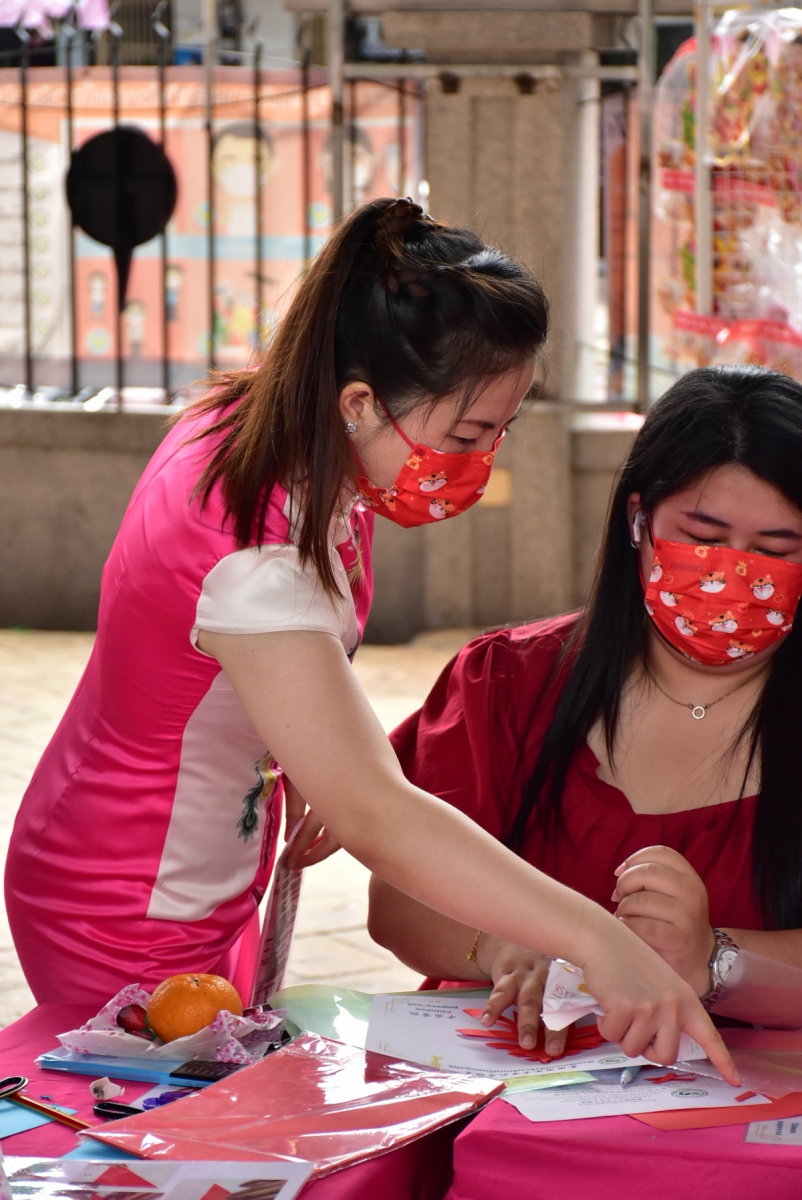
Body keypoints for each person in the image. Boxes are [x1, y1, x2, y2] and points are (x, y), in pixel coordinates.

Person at [5, 199, 734, 1079]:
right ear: (360, 401)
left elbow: (246, 672)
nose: (484, 459)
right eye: (467, 434)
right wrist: (598, 940)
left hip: (191, 870)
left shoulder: (295, 439)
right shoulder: (252, 543)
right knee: (152, 1129)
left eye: (502, 430)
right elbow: (378, 813)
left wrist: (304, 745)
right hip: (126, 898)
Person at [369, 364, 802, 1056]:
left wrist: (713, 961)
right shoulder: (505, 680)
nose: (733, 573)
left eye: (775, 551)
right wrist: (504, 946)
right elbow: (399, 902)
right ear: (638, 520)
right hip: (511, 1083)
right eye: (703, 537)